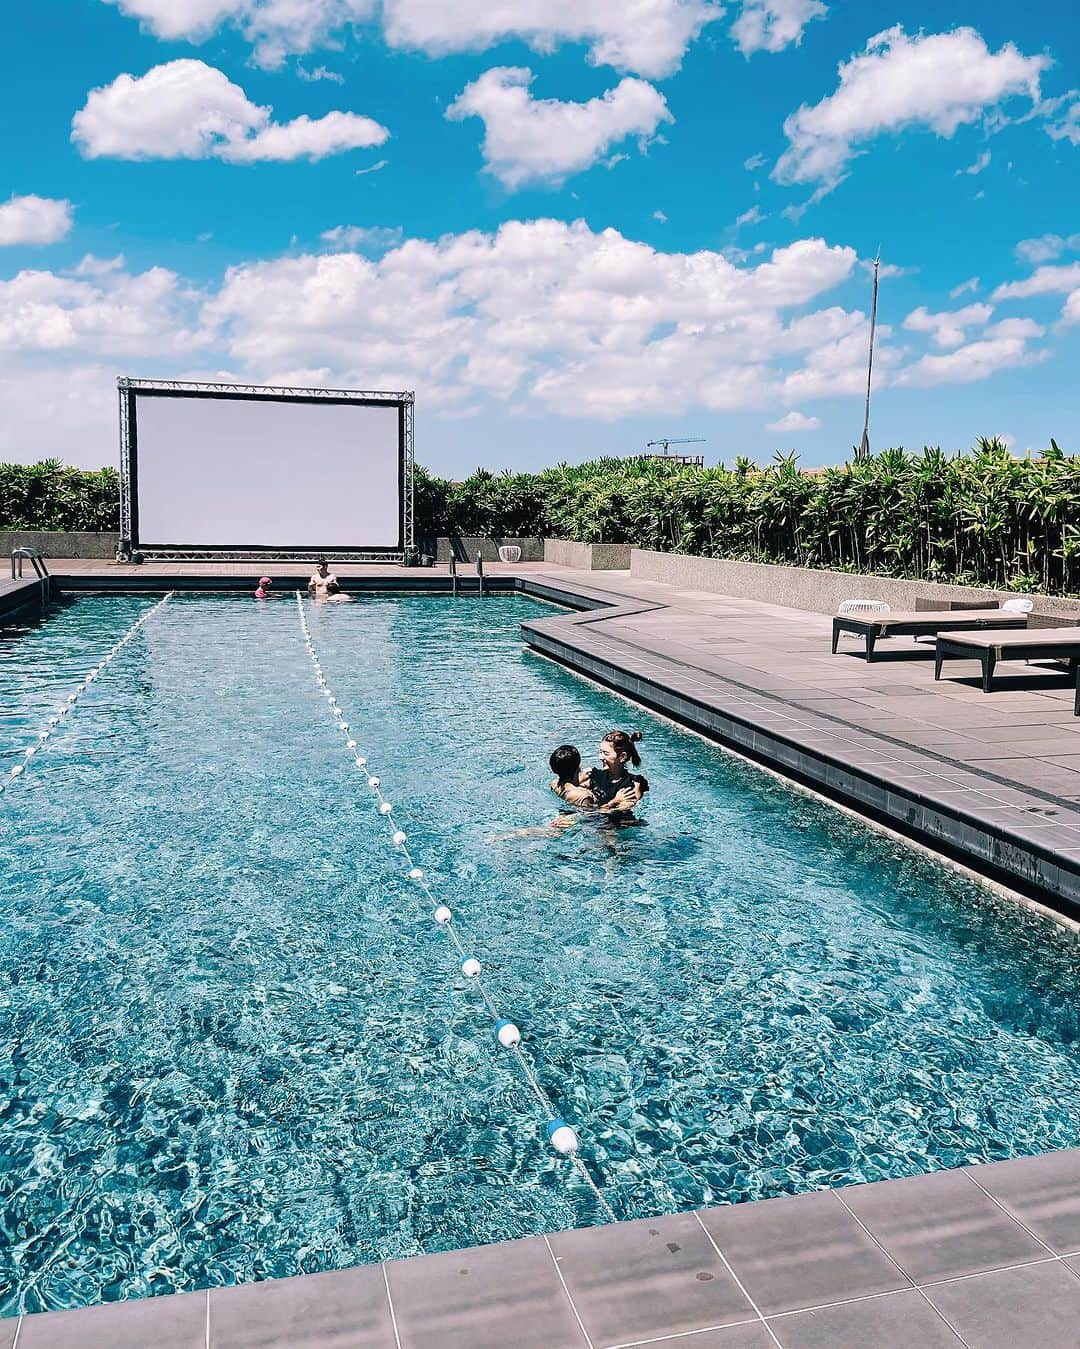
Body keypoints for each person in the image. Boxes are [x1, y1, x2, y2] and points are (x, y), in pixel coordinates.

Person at [586, 730, 648, 813]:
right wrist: (615, 801)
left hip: (617, 823)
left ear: (622, 757)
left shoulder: (633, 785)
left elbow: (622, 810)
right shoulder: (593, 775)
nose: (600, 757)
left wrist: (613, 802)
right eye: (600, 752)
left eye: (606, 753)